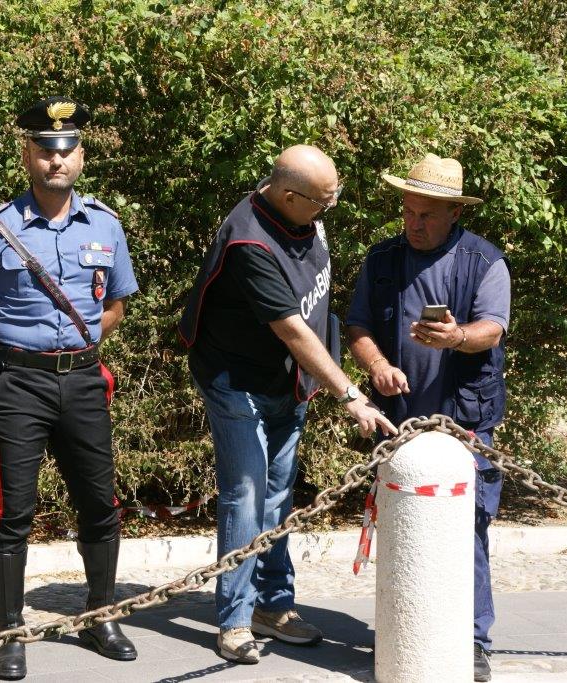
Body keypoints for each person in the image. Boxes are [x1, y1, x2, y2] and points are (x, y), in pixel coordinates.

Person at [0, 97, 139, 680]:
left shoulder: (105, 224)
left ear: (81, 155)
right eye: (46, 150)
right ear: (28, 154)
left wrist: (75, 351)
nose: (57, 160)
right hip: (19, 384)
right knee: (12, 513)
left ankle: (101, 616)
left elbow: (116, 304)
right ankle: (8, 632)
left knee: (100, 504)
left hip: (81, 379)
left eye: (67, 150)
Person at [178, 145, 396, 665]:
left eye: (333, 197)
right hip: (237, 383)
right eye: (323, 200)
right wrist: (351, 396)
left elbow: (314, 303)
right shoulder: (249, 240)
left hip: (289, 383)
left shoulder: (306, 215)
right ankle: (233, 620)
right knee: (246, 495)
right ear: (289, 194)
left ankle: (272, 606)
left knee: (278, 495)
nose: (330, 208)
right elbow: (293, 330)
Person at [345, 153, 510, 682]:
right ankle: (402, 629)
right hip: (400, 423)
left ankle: (473, 639)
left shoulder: (485, 262)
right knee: (398, 528)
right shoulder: (382, 259)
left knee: (470, 531)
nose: (414, 224)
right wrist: (376, 365)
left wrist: (458, 337)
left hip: (465, 423)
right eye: (408, 212)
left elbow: (493, 329)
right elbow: (358, 326)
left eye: (427, 215)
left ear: (453, 214)